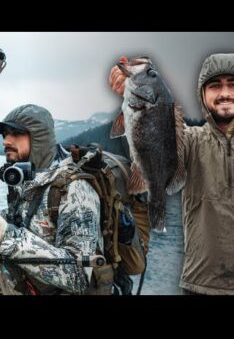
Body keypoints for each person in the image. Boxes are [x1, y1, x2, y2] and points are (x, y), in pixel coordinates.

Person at [109, 53, 234, 295]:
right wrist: (130, 87)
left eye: (232, 84)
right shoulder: (191, 140)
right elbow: (159, 137)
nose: (225, 93)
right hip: (200, 283)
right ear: (202, 93)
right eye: (215, 85)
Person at [0, 104, 103, 295]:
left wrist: (6, 235)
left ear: (38, 137)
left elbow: (79, 275)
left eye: (15, 133)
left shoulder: (74, 189)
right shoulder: (27, 181)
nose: (6, 141)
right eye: (5, 134)